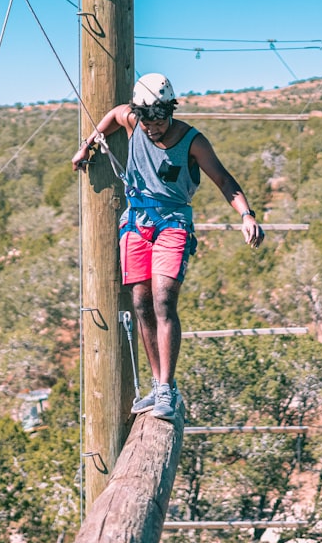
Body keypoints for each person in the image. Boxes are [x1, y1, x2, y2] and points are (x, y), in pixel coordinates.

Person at [72, 73, 264, 421]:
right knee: (142, 303)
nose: (152, 129)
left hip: (172, 222)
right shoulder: (134, 120)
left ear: (169, 111)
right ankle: (158, 383)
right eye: (146, 123)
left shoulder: (192, 141)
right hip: (135, 222)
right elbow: (115, 115)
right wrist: (88, 143)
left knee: (163, 300)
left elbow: (224, 180)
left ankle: (166, 387)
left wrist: (247, 215)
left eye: (158, 122)